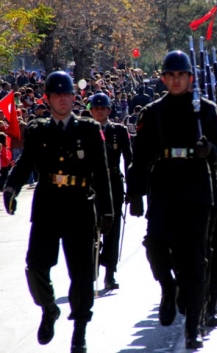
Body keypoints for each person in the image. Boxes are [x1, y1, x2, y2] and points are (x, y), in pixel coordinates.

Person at [2, 71, 114, 353]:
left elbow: (101, 173)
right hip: (48, 206)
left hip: (79, 206)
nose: (63, 100)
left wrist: (107, 209)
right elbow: (26, 163)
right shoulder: (39, 130)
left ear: (74, 98)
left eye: (67, 95)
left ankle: (80, 330)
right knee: (36, 266)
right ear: (48, 98)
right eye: (57, 95)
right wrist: (11, 188)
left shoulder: (88, 129)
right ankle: (49, 308)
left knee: (81, 273)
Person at [126, 50, 217, 349]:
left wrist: (210, 151)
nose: (176, 80)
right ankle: (168, 288)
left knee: (195, 261)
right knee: (155, 245)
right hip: (164, 187)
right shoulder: (153, 111)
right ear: (163, 78)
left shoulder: (206, 110)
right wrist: (135, 193)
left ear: (190, 78)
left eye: (181, 75)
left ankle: (193, 327)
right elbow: (140, 157)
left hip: (196, 190)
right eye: (170, 75)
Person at [89, 92, 132, 290]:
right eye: (96, 108)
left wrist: (132, 187)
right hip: (91, 185)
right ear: (91, 111)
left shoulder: (119, 131)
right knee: (91, 229)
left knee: (112, 230)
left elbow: (129, 160)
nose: (99, 111)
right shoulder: (85, 130)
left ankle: (110, 273)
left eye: (103, 108)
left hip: (113, 182)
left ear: (109, 110)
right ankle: (93, 265)